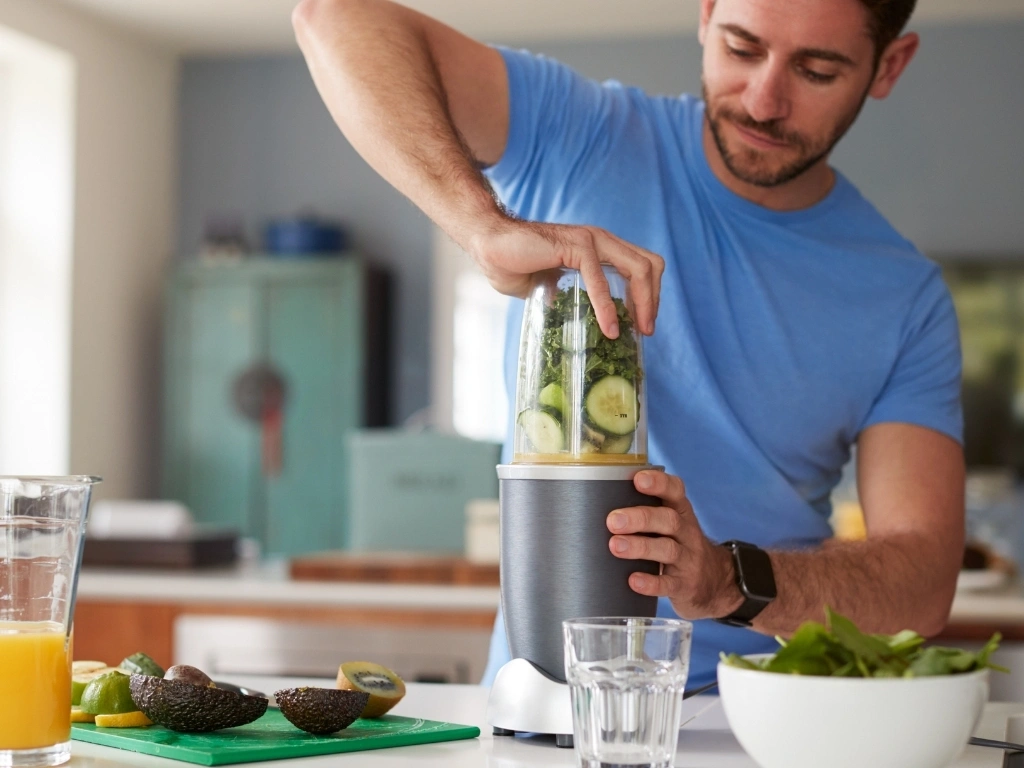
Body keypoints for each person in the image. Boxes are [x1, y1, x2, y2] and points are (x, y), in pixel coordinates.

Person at [293, 0, 965, 687]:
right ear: (706, 16)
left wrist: (728, 580)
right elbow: (334, 18)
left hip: (765, 717)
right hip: (547, 703)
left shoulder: (902, 296)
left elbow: (921, 583)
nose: (764, 101)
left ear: (889, 66)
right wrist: (480, 226)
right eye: (741, 48)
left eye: (817, 70)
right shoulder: (582, 133)